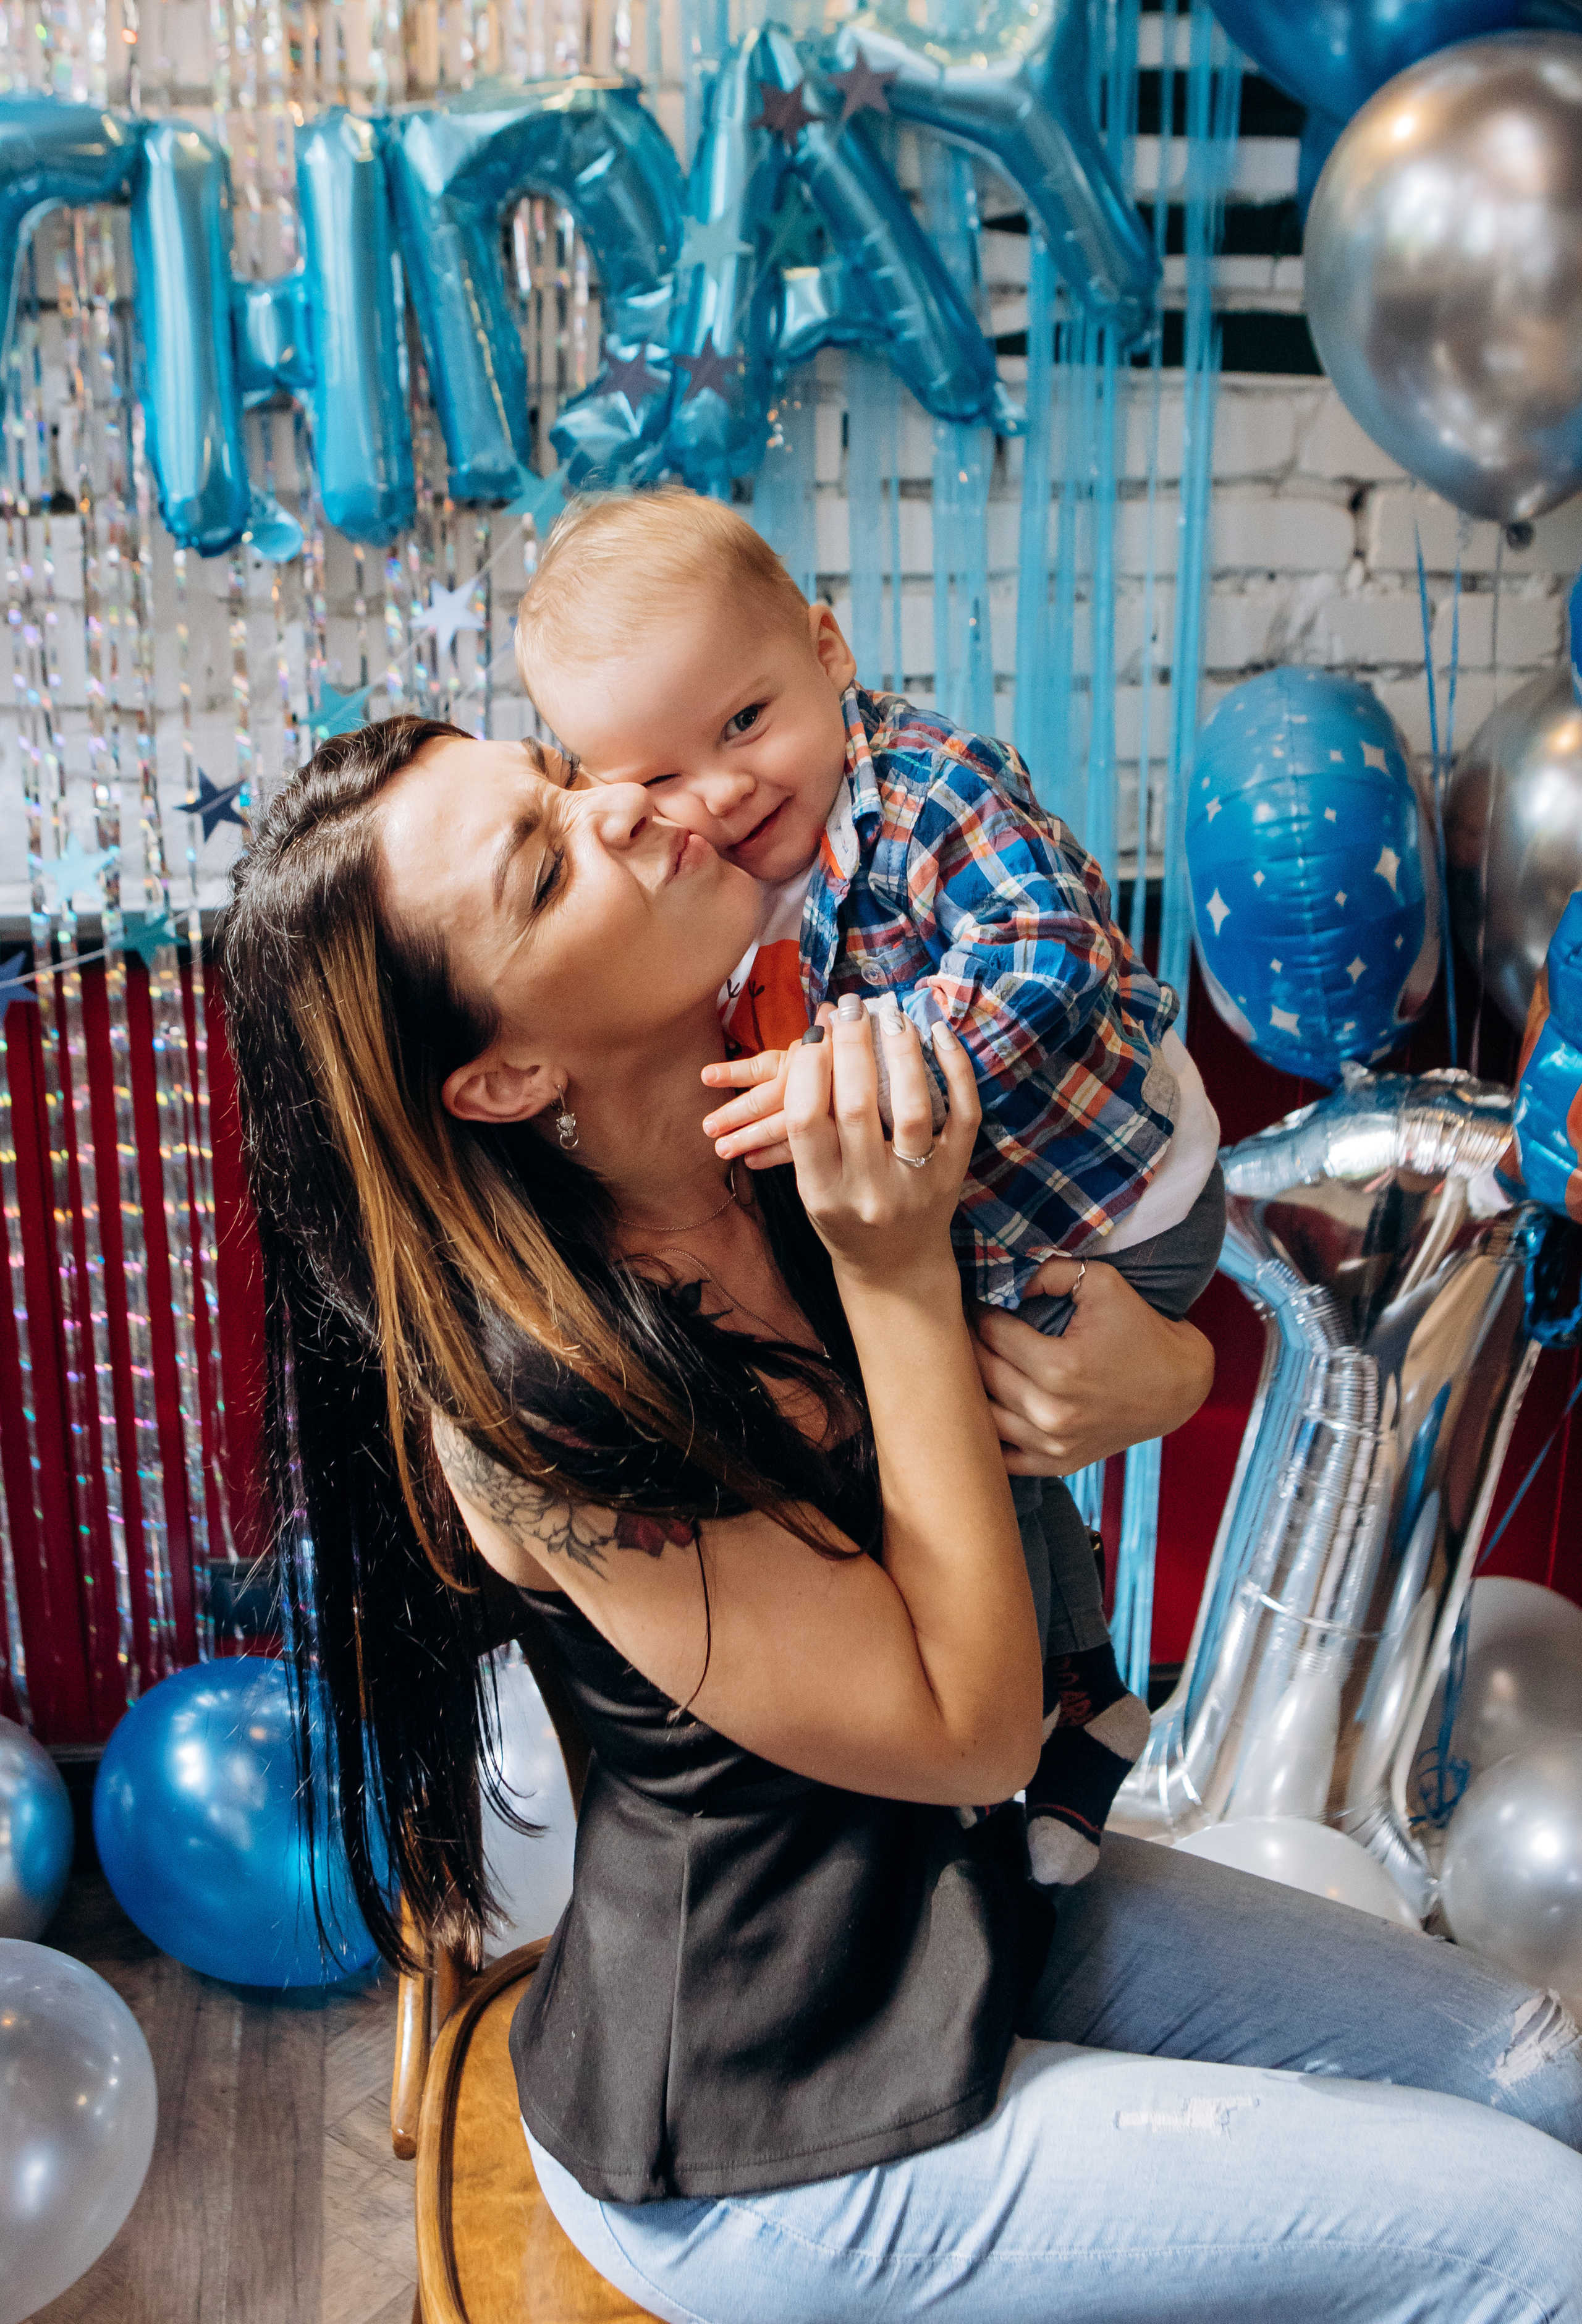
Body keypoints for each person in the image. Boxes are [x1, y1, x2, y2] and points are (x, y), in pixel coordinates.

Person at [223, 713, 1582, 2324]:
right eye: (545, 862)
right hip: (770, 2125)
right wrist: (896, 1272)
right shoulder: (539, 1405)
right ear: (506, 1071)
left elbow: (1137, 1321)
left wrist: (1158, 1372)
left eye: (561, 776)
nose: (632, 811)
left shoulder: (810, 1110)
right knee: (1529, 2232)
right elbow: (972, 1730)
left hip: (980, 1902)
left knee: (1543, 2079)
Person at [512, 486, 1223, 1884]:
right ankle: (1084, 1690)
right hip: (999, 1222)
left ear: (830, 650)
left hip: (1107, 1197)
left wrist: (887, 1057)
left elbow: (1048, 952)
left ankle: (1072, 1690)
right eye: (650, 781)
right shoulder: (736, 887)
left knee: (959, 1444)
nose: (712, 798)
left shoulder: (922, 790)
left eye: (741, 724)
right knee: (963, 1455)